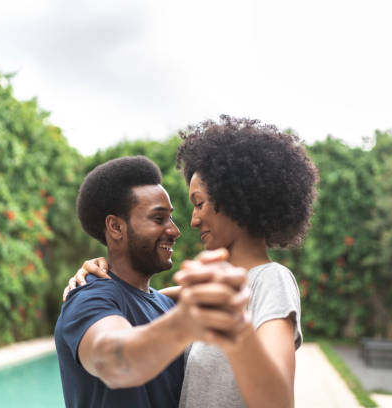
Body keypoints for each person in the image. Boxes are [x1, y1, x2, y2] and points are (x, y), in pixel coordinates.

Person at [66, 116, 318, 408]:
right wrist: (95, 274)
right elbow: (143, 301)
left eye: (199, 204)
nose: (193, 221)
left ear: (235, 197)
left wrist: (234, 326)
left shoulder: (271, 279)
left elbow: (278, 402)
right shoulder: (206, 293)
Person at [54, 155, 250, 408]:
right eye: (159, 219)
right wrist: (185, 323)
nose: (175, 231)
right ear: (115, 227)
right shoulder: (88, 297)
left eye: (170, 218)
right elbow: (113, 361)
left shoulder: (163, 303)